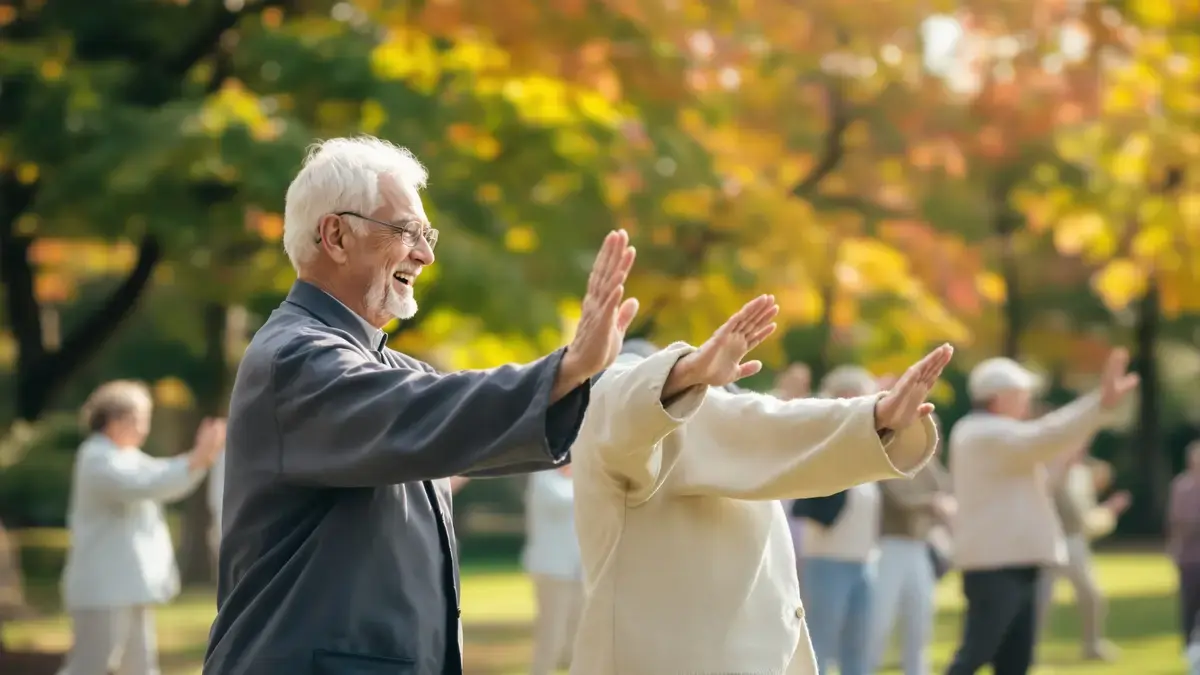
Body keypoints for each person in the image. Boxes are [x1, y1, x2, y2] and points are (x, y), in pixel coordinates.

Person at [204, 136, 638, 675]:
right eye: (407, 231)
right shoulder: (295, 359)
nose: (426, 254)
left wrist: (673, 383)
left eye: (425, 235)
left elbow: (468, 421)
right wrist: (569, 366)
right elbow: (429, 410)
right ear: (335, 235)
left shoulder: (385, 367)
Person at [567, 292, 954, 675]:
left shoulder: (700, 420)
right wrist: (683, 373)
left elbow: (774, 423)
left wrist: (877, 418)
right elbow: (620, 403)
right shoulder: (615, 404)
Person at [944, 350, 1139, 675]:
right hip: (995, 567)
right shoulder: (981, 432)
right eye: (1021, 393)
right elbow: (1044, 436)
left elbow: (1043, 471)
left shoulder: (996, 435)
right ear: (998, 397)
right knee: (975, 655)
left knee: (1015, 663)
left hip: (1018, 563)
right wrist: (1098, 404)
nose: (1027, 400)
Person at [59, 380, 225, 675]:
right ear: (116, 420)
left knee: (140, 668)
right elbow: (149, 483)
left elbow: (162, 476)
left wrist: (199, 460)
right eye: (140, 419)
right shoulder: (95, 457)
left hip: (129, 586)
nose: (144, 428)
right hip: (102, 588)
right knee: (89, 668)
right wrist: (198, 458)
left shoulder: (125, 457)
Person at [797, 366, 884, 675]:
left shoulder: (867, 446)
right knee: (819, 644)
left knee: (858, 648)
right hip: (827, 560)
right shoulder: (820, 440)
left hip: (863, 561)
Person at [869, 420, 954, 675]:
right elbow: (900, 500)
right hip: (890, 546)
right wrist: (932, 504)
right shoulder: (888, 461)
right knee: (879, 621)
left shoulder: (925, 465)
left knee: (920, 621)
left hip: (918, 547)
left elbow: (945, 489)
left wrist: (931, 457)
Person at [1036, 450, 1128, 662]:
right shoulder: (1046, 467)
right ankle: (1030, 648)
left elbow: (1084, 519)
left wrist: (1109, 511)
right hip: (1051, 540)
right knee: (1042, 599)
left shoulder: (1081, 474)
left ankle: (1093, 645)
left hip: (1074, 542)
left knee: (1091, 596)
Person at [521, 466, 583, 675]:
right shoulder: (543, 476)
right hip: (551, 569)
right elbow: (564, 501)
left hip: (578, 570)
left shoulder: (579, 480)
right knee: (552, 633)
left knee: (579, 635)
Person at [1170, 441, 1200, 663]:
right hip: (1190, 558)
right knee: (1189, 606)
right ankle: (1189, 649)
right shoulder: (1181, 486)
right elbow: (1178, 522)